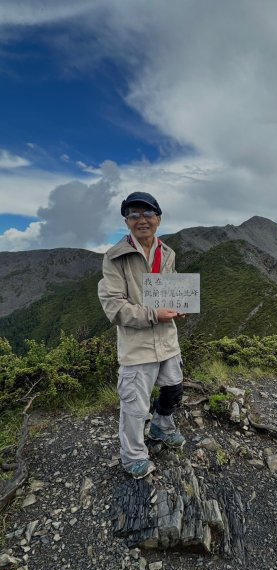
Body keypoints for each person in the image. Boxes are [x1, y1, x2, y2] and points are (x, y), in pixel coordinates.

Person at [98, 191, 186, 479]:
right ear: (126, 221)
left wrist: (178, 305)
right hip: (136, 346)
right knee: (135, 406)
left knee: (174, 389)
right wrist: (153, 314)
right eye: (133, 214)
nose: (141, 219)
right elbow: (114, 307)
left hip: (167, 340)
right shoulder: (115, 257)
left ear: (158, 218)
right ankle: (133, 456)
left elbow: (168, 291)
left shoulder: (167, 253)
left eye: (147, 213)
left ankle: (161, 426)